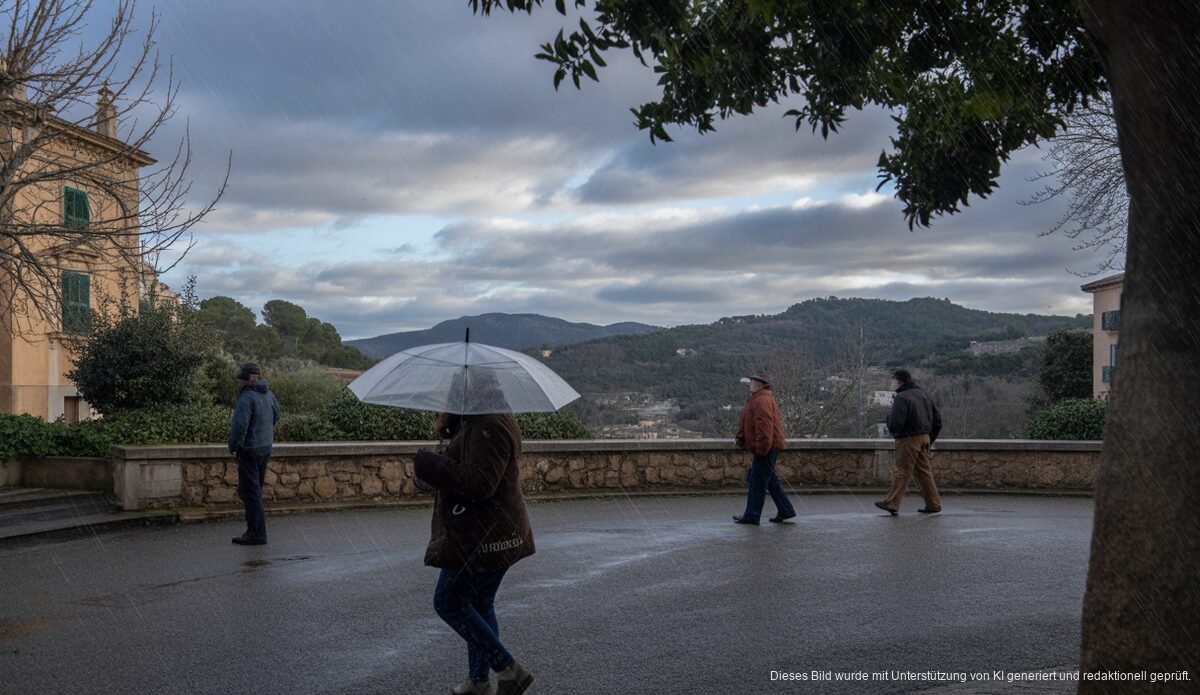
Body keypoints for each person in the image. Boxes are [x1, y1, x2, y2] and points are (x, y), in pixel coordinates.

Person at [413, 373, 535, 695]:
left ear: (469, 391)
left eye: (456, 388)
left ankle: (508, 669)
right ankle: (478, 682)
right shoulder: (479, 421)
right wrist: (434, 467)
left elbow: (480, 484)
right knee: (480, 603)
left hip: (482, 537)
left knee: (448, 601)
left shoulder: (489, 425)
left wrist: (435, 467)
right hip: (494, 533)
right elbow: (467, 470)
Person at [875, 369, 943, 516]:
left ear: (899, 381)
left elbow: (895, 424)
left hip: (908, 439)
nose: (891, 383)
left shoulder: (901, 397)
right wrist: (929, 438)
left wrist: (890, 423)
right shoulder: (923, 395)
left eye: (892, 380)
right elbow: (937, 420)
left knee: (903, 470)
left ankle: (891, 503)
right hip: (925, 437)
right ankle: (933, 504)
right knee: (924, 472)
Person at [732, 371, 796, 525]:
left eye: (753, 381)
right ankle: (786, 510)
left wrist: (761, 448)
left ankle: (752, 516)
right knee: (770, 480)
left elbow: (765, 427)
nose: (750, 383)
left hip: (766, 447)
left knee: (757, 482)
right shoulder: (761, 398)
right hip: (767, 446)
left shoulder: (761, 400)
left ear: (759, 384)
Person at [227, 362, 281, 545]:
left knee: (251, 493)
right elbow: (276, 415)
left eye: (239, 380)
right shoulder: (269, 394)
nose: (238, 383)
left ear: (246, 380)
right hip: (265, 447)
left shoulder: (246, 398)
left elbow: (240, 426)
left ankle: (257, 534)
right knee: (254, 491)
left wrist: (234, 446)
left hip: (249, 450)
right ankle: (254, 531)